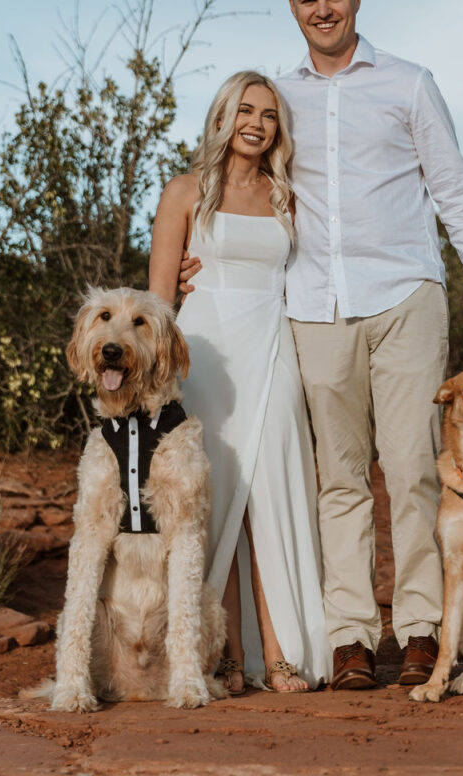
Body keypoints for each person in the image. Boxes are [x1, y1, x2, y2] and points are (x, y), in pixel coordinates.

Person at [184, 0, 463, 690]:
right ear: (293, 7)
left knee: (410, 470)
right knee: (338, 479)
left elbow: (453, 191)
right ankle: (351, 637)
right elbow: (234, 179)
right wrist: (193, 256)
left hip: (404, 297)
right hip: (312, 308)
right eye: (308, 0)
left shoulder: (408, 85)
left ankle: (421, 628)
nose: (322, 11)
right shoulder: (280, 96)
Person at [149, 70, 331, 694]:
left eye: (269, 115)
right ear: (223, 116)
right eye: (245, 110)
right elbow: (156, 301)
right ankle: (226, 654)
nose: (256, 123)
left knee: (272, 495)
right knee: (214, 498)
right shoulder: (183, 192)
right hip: (205, 355)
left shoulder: (289, 197)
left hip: (273, 347)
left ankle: (279, 654)